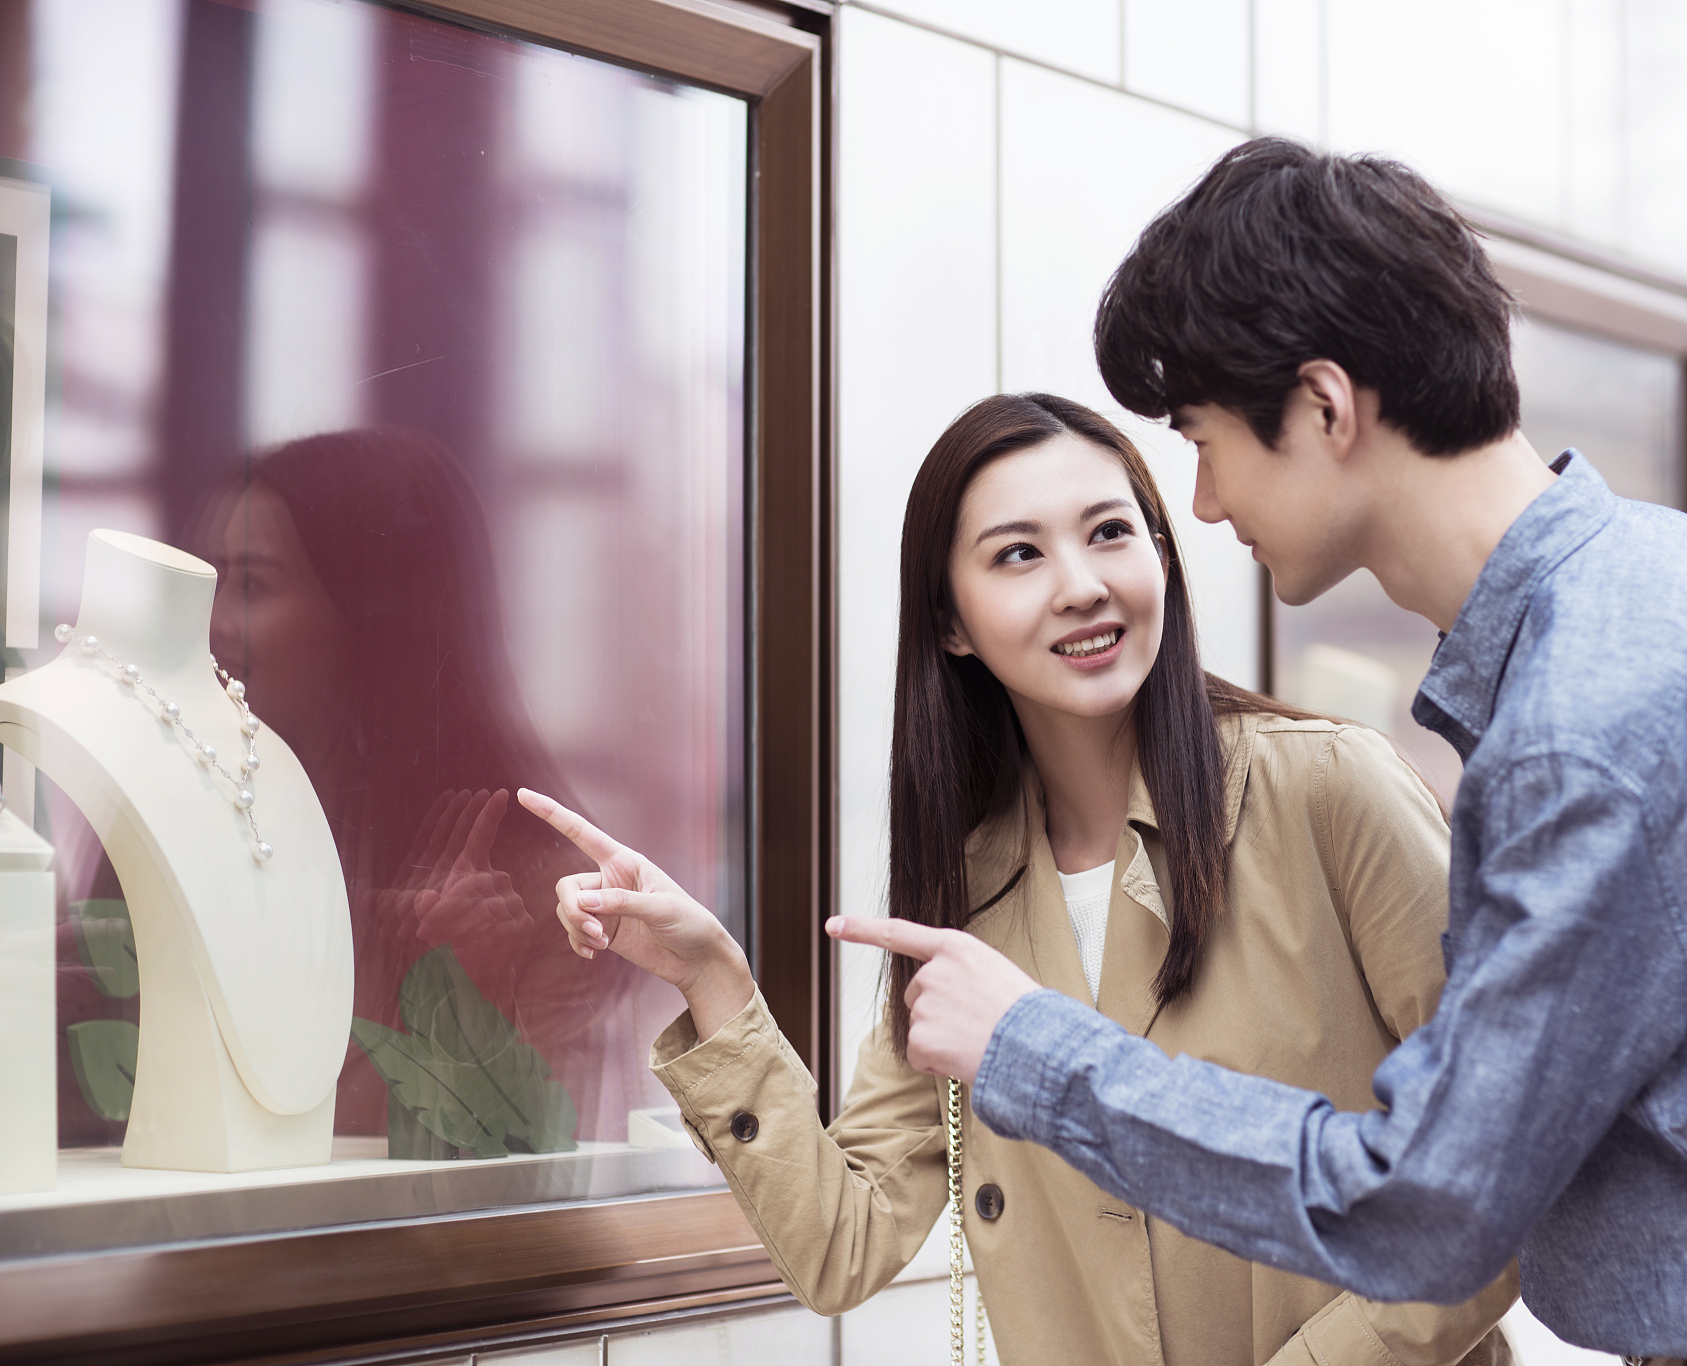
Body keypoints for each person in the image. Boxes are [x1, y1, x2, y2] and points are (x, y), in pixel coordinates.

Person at [828, 140, 1687, 1366]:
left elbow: (1426, 1206)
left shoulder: (1579, 719)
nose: (1198, 503)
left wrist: (1037, 1051)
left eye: (1200, 440)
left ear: (1322, 405)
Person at [519, 393, 1518, 1366]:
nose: (1079, 583)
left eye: (1109, 533)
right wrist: (713, 981)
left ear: (1160, 558)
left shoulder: (1322, 790)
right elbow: (842, 1244)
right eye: (1018, 554)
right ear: (951, 622)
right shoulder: (971, 898)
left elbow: (1507, 1168)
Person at [202, 426, 674, 1139]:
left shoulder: (547, 890)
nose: (211, 624)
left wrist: (467, 991)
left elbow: (531, 1184)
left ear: (368, 617)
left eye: (254, 585)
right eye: (215, 580)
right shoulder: (230, 820)